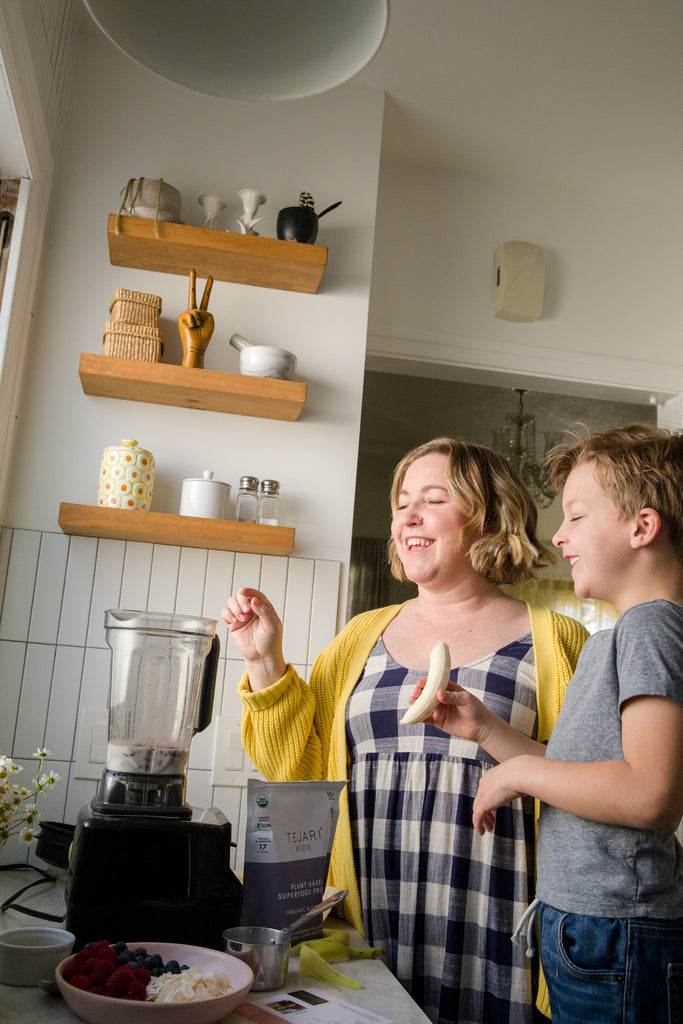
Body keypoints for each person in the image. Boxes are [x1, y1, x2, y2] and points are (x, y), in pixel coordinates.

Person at [222, 437, 588, 1024]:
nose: (408, 517)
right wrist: (263, 661)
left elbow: (593, 783)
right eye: (401, 502)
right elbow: (303, 774)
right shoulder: (359, 637)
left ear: (488, 517)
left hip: (502, 926)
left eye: (434, 499)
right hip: (373, 918)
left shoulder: (559, 641)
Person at [418, 425, 683, 1024]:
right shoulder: (613, 640)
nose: (558, 536)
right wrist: (488, 731)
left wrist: (521, 776)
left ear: (642, 528)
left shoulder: (652, 631)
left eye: (577, 517)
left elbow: (651, 795)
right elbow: (590, 775)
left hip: (620, 931)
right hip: (591, 924)